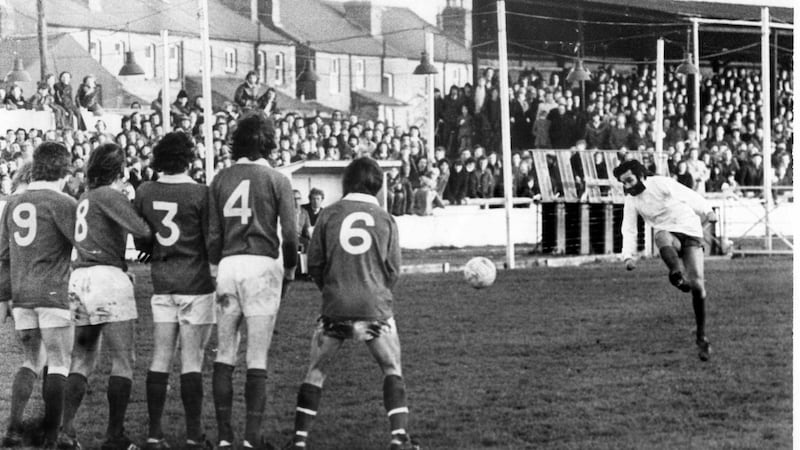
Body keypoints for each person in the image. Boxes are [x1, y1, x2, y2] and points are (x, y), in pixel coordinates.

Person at [285, 157, 420, 450]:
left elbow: (315, 264)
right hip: (374, 308)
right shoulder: (385, 218)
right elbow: (393, 269)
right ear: (377, 184)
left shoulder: (329, 215)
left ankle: (299, 441)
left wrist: (332, 291)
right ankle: (399, 439)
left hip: (336, 306)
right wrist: (376, 293)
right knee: (392, 368)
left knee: (316, 371)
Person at [207, 113, 298, 449]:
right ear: (269, 143)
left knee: (225, 351)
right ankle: (251, 438)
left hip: (229, 265)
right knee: (256, 356)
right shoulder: (277, 179)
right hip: (261, 266)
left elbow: (213, 233)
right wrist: (289, 269)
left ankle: (224, 437)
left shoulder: (220, 179)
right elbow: (290, 234)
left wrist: (217, 267)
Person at [60, 143, 152, 449]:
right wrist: (138, 193)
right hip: (106, 278)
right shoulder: (110, 195)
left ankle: (66, 431)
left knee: (82, 359)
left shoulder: (86, 196)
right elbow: (142, 231)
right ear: (119, 169)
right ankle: (114, 435)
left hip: (80, 277)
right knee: (124, 360)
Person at [133, 132, 216, 449]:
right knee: (192, 359)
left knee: (160, 358)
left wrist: (151, 249)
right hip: (195, 283)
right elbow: (210, 242)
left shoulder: (145, 190)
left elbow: (142, 240)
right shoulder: (201, 193)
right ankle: (194, 435)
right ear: (188, 158)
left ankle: (154, 434)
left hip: (163, 281)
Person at [0, 143, 76, 448]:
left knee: (31, 360)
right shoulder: (64, 202)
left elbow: (3, 256)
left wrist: (4, 297)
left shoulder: (13, 203)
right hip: (53, 291)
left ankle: (12, 431)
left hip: (22, 294)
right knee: (59, 362)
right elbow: (84, 245)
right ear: (65, 170)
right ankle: (51, 436)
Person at [614, 159, 716, 362]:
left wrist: (707, 210)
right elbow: (629, 228)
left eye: (630, 180)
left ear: (641, 175)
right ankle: (675, 273)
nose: (628, 186)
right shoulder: (632, 200)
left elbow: (688, 194)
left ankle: (701, 337)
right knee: (660, 236)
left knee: (698, 286)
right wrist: (628, 255)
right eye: (623, 183)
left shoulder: (660, 183)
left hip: (691, 230)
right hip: (669, 235)